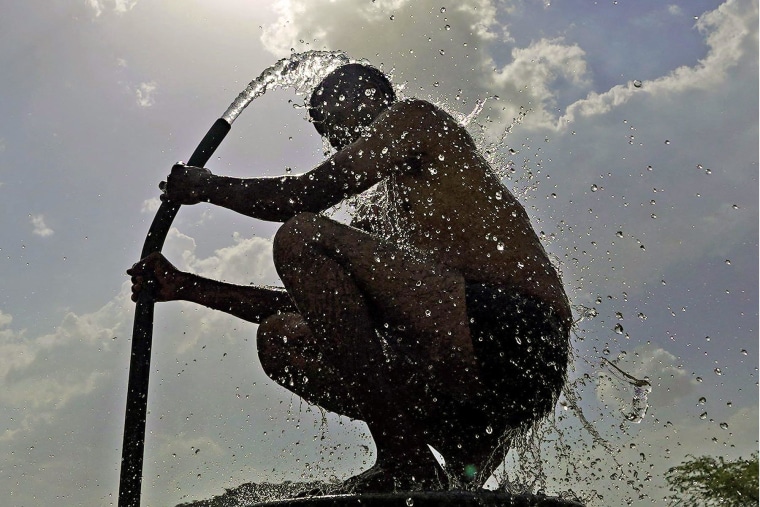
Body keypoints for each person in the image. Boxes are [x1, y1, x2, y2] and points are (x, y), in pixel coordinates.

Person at [128, 63, 572, 492]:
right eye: (322, 129)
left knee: (300, 234)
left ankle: (405, 460)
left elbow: (306, 194)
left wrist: (207, 187)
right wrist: (187, 286)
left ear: (371, 94)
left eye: (332, 116)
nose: (332, 137)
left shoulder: (415, 119)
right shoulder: (384, 213)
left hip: (519, 330)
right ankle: (456, 449)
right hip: (468, 370)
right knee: (282, 337)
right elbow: (328, 313)